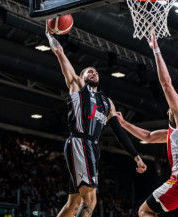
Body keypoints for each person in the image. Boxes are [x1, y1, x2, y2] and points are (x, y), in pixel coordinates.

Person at [45, 26, 147, 217]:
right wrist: (49, 35)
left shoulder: (107, 103)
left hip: (91, 147)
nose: (93, 73)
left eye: (95, 72)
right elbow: (59, 52)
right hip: (80, 141)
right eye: (89, 72)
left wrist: (136, 156)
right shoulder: (77, 87)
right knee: (90, 200)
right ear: (81, 77)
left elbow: (119, 131)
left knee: (73, 202)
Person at [116, 31, 178, 217]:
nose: (174, 101)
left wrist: (156, 49)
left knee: (144, 212)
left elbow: (166, 84)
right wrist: (124, 123)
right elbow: (148, 137)